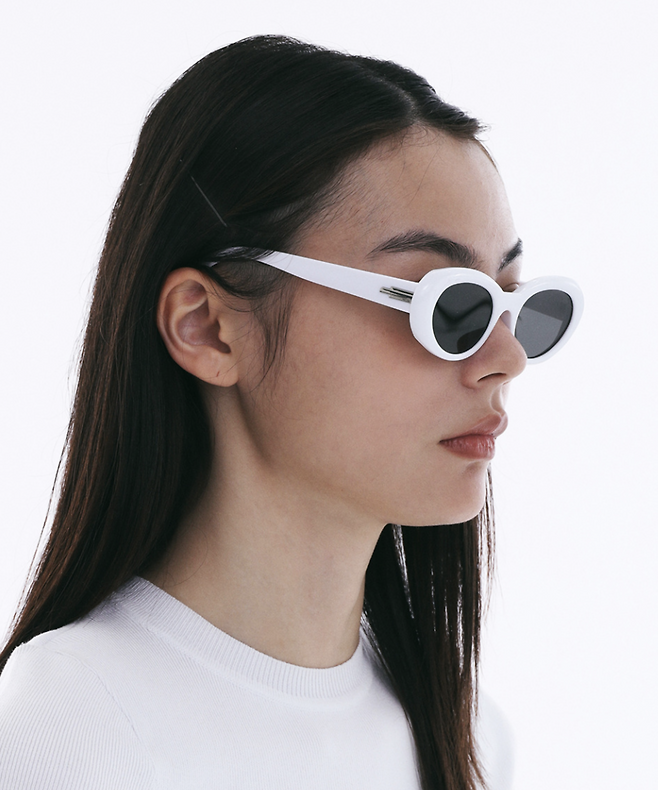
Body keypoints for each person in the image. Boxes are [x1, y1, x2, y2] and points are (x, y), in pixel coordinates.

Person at [0, 35, 582, 790]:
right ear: (207, 327)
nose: (507, 358)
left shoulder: (466, 738)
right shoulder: (70, 730)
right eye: (448, 305)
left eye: (516, 304)